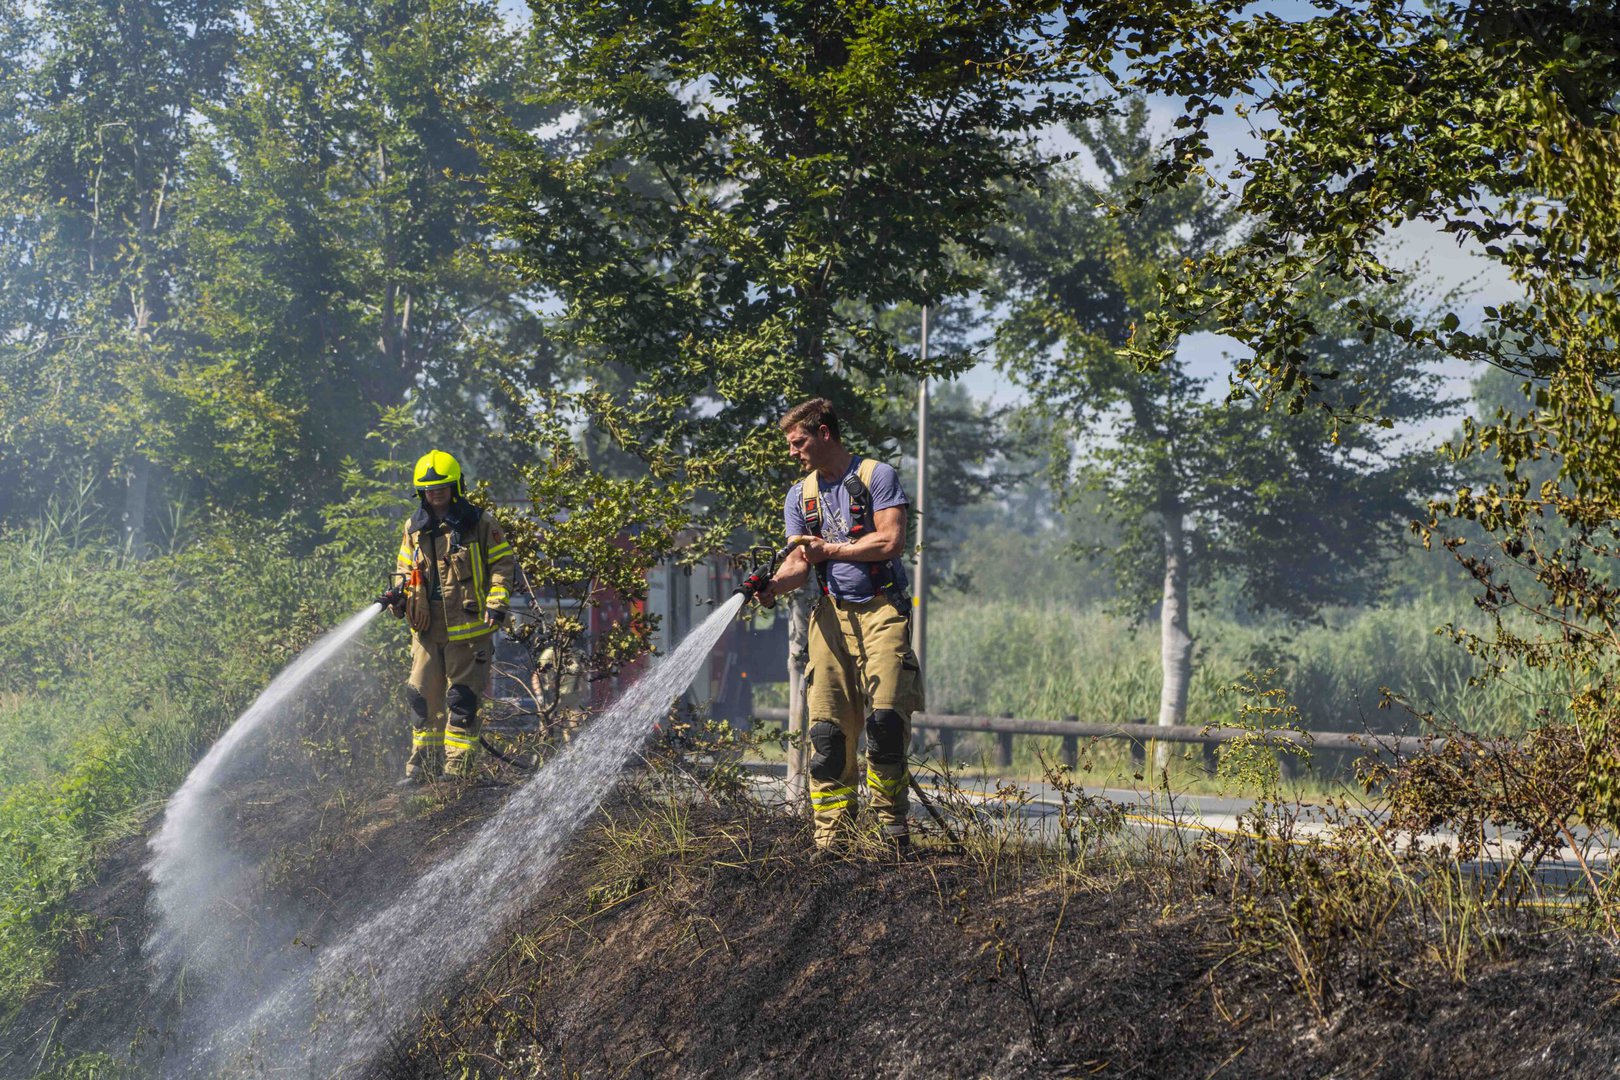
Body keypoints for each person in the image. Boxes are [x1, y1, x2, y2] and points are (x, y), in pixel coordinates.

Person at [754, 398, 924, 856]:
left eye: (799, 442)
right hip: (829, 615)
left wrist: (832, 550)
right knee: (828, 733)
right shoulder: (800, 495)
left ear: (824, 433)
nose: (793, 452)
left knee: (886, 722)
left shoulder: (876, 477)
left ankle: (892, 834)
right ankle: (833, 841)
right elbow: (798, 563)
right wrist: (772, 586)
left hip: (880, 608)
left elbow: (890, 540)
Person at [385, 450, 516, 783]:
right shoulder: (414, 527)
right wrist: (398, 596)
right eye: (429, 488)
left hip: (469, 629)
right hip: (427, 630)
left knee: (462, 700)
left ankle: (457, 770)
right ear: (420, 491)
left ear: (456, 485)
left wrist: (497, 600)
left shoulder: (480, 522)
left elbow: (502, 564)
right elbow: (404, 568)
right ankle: (421, 767)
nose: (435, 493)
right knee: (420, 698)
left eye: (442, 486)